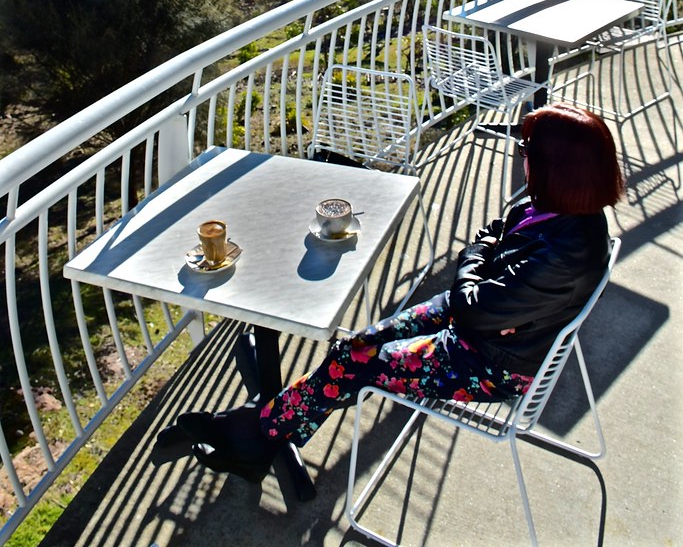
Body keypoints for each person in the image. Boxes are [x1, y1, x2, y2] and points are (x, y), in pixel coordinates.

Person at [153, 102, 623, 482]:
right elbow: (494, 233)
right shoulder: (557, 209)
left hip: (490, 363)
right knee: (353, 349)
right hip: (490, 330)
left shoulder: (565, 253)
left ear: (556, 167)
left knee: (355, 363)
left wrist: (471, 261)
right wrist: (479, 259)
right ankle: (264, 437)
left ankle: (249, 434)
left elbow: (472, 302)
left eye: (527, 148)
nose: (521, 155)